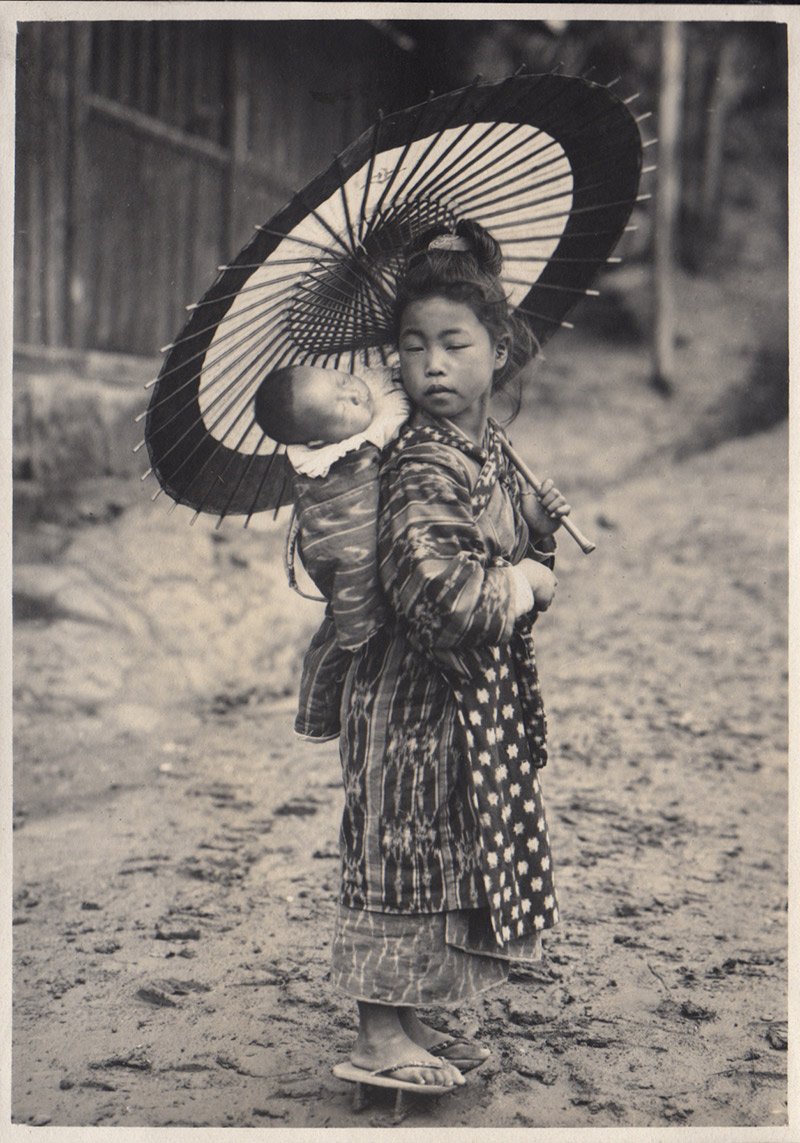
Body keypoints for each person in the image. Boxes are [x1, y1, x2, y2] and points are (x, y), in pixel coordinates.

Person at [328, 219, 571, 1090]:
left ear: (498, 350)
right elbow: (439, 594)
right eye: (412, 344)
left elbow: (498, 524)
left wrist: (533, 523)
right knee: (396, 847)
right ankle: (376, 1036)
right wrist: (523, 584)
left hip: (450, 702)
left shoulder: (480, 448)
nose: (430, 363)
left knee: (435, 849)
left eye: (453, 342)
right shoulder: (422, 461)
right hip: (408, 700)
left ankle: (409, 1016)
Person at [253, 361, 409, 740]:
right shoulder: (337, 459)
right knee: (344, 624)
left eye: (343, 381)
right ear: (321, 442)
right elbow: (340, 535)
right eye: (341, 406)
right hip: (346, 542)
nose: (354, 393)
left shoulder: (373, 391)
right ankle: (319, 712)